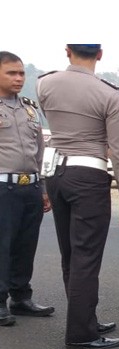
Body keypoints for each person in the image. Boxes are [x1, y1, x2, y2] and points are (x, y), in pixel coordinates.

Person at [36, 44, 119, 349]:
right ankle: (81, 333)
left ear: (67, 51)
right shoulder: (108, 95)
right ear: (100, 54)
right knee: (86, 257)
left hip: (56, 174)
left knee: (71, 253)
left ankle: (84, 318)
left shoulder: (44, 83)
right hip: (89, 176)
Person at [0, 51, 53, 328]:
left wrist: (43, 188)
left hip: (30, 186)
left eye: (21, 73)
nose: (19, 78)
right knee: (2, 245)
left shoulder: (30, 109)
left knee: (25, 244)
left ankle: (21, 298)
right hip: (2, 188)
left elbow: (39, 152)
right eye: (12, 73)